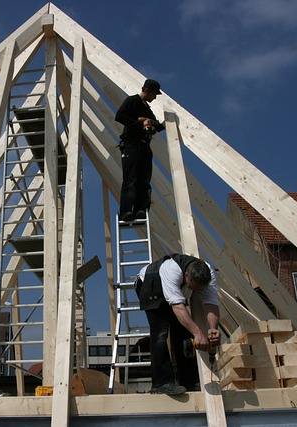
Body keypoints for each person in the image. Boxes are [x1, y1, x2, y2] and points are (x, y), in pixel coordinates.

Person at [135, 253, 220, 394]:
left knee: (183, 332)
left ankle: (190, 381)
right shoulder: (172, 270)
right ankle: (161, 383)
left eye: (200, 289)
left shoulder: (208, 273)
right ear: (186, 275)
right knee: (160, 331)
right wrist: (198, 333)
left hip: (172, 293)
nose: (196, 291)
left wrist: (212, 329)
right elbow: (177, 306)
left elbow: (211, 303)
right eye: (193, 287)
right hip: (150, 286)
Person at [115, 78, 166, 222]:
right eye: (154, 94)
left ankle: (140, 211)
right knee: (131, 179)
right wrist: (139, 124)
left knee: (144, 181)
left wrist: (163, 124)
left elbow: (154, 125)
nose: (155, 97)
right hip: (131, 145)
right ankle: (126, 212)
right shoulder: (132, 101)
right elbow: (119, 116)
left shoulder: (147, 109)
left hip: (144, 146)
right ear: (147, 91)